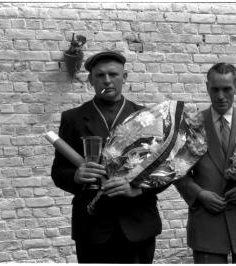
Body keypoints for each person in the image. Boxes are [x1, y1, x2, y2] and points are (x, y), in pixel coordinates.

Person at [51, 51, 164, 263]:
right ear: (90, 80)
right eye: (100, 75)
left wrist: (138, 189)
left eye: (113, 74)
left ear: (125, 76)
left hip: (138, 223)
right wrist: (76, 175)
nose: (107, 80)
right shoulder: (73, 118)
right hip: (92, 227)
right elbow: (58, 172)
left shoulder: (148, 117)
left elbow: (163, 170)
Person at [174, 63, 236, 263]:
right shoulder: (191, 124)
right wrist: (199, 194)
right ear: (207, 86)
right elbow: (176, 171)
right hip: (208, 223)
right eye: (215, 89)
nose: (220, 95)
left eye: (227, 89)